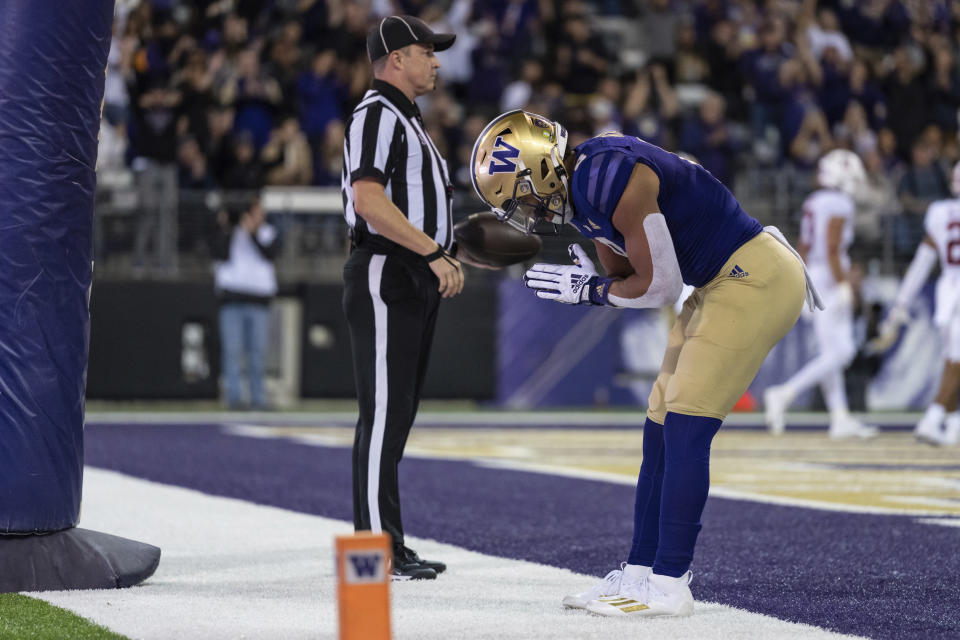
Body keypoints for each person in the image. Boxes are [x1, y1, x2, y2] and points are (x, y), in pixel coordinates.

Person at [471, 110, 817, 618]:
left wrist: (592, 290)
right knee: (658, 428)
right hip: (722, 282)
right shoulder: (582, 194)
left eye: (519, 194)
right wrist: (600, 279)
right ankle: (638, 573)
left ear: (542, 168)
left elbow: (659, 287)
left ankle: (671, 582)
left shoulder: (608, 177)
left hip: (753, 276)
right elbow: (629, 276)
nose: (524, 210)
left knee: (685, 425)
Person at [342, 15, 463, 581]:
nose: (436, 61)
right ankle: (374, 551)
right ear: (395, 59)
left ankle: (388, 544)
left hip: (412, 274)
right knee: (384, 413)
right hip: (389, 272)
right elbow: (368, 200)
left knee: (399, 414)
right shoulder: (377, 114)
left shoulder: (407, 121)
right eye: (426, 51)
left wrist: (454, 248)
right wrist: (433, 252)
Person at [763, 150, 879, 439]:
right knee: (843, 352)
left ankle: (840, 418)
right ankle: (784, 393)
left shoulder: (814, 201)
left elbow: (804, 243)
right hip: (828, 275)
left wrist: (799, 276)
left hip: (812, 271)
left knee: (832, 352)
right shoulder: (839, 202)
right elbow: (831, 246)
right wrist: (842, 283)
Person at [871, 161, 960, 447]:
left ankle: (954, 425)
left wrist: (901, 305)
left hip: (947, 295)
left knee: (955, 360)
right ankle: (932, 419)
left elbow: (922, 263)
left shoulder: (940, 212)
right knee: (955, 362)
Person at [210, 196, 279, 410]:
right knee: (233, 351)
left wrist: (253, 233)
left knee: (258, 353)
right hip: (232, 299)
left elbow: (269, 254)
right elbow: (220, 253)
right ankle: (234, 398)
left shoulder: (269, 232)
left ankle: (258, 399)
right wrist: (229, 228)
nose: (261, 215)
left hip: (258, 301)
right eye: (257, 211)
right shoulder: (230, 233)